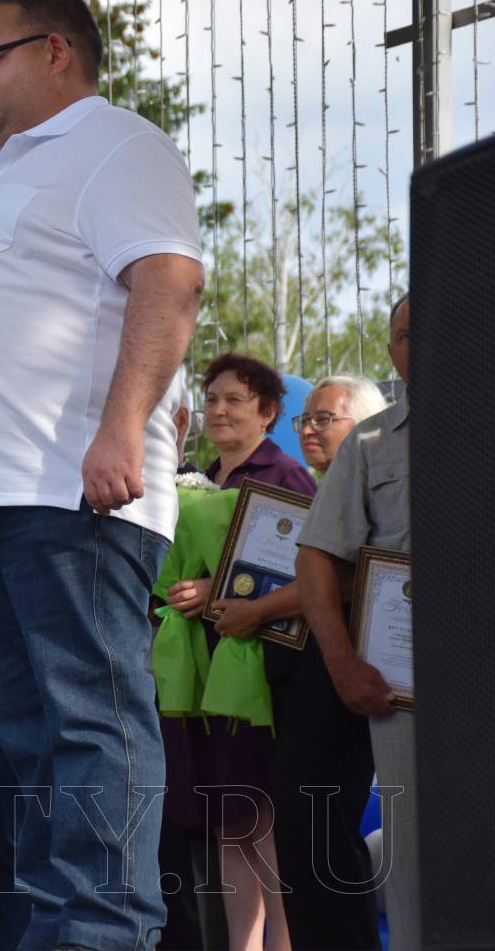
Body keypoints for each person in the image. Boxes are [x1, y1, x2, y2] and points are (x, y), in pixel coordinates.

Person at [0, 0, 204, 950]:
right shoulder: (18, 167)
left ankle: (105, 930)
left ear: (57, 50)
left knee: (87, 725)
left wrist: (122, 427)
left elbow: (169, 280)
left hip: (71, 491)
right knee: (28, 744)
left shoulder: (115, 144)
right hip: (2, 502)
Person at [205, 375, 387, 949]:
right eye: (305, 419)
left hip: (344, 672)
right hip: (300, 671)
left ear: (367, 427)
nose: (309, 429)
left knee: (321, 829)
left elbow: (342, 575)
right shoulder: (323, 487)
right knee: (301, 834)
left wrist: (257, 609)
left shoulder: (374, 487)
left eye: (324, 418)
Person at [161, 352, 315, 951]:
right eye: (212, 400)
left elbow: (309, 575)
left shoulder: (285, 476)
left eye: (235, 400)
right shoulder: (196, 481)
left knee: (266, 821)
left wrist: (216, 589)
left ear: (268, 412)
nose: (219, 411)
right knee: (231, 823)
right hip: (205, 674)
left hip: (264, 672)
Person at [295, 295, 414, 950]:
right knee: (416, 858)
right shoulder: (371, 444)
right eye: (402, 334)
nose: (415, 344)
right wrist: (343, 665)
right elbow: (317, 560)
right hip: (404, 694)